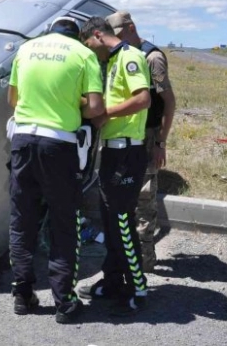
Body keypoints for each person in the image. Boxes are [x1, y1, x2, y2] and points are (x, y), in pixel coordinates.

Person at [7, 16, 104, 324]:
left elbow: (13, 98)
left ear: (50, 32)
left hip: (22, 140)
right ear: (76, 36)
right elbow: (96, 108)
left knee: (22, 220)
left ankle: (22, 295)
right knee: (64, 224)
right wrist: (73, 103)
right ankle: (64, 302)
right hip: (58, 145)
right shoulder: (83, 54)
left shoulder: (26, 49)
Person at [77, 17, 151, 316]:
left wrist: (105, 113)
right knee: (109, 222)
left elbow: (142, 99)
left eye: (89, 46)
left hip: (126, 154)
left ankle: (138, 286)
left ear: (97, 35)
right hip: (112, 153)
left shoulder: (131, 58)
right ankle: (112, 281)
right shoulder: (112, 62)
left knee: (121, 222)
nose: (90, 52)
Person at [105, 11, 176, 273]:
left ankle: (144, 262)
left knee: (144, 199)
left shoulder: (151, 57)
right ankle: (125, 257)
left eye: (121, 35)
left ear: (131, 28)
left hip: (147, 136)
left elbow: (169, 102)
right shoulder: (121, 56)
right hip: (123, 136)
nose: (118, 40)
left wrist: (161, 142)